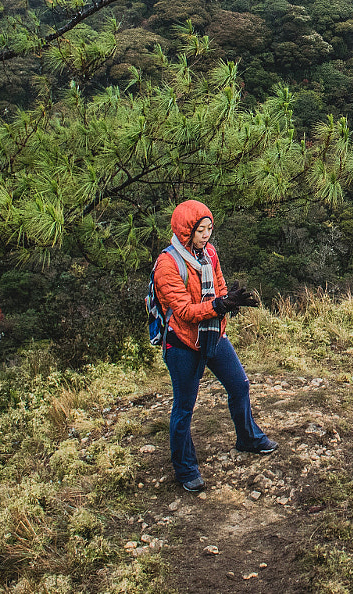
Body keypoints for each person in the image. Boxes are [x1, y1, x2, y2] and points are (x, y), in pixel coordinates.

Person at [153, 199, 275, 492]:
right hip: (182, 341)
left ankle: (247, 437)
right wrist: (218, 305)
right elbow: (183, 312)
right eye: (200, 230)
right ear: (186, 231)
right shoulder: (167, 265)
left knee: (239, 385)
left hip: (212, 334)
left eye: (209, 228)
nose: (206, 235)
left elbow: (218, 286)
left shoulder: (209, 254)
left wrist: (227, 299)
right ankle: (185, 469)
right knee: (184, 406)